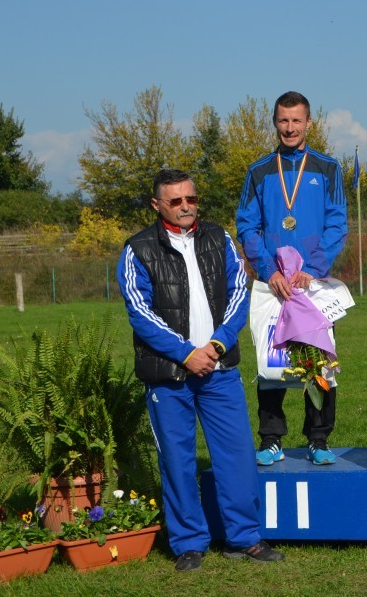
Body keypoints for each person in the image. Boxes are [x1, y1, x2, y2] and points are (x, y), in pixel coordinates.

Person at [118, 169, 284, 571]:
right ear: (157, 205)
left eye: (191, 198)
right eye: (175, 201)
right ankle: (189, 543)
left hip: (220, 368)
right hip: (168, 375)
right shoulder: (137, 249)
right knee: (177, 460)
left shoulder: (219, 237)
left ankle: (244, 537)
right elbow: (140, 313)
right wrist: (186, 353)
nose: (186, 207)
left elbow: (241, 291)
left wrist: (216, 345)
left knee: (238, 455)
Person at [237, 91, 347, 466]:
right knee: (272, 361)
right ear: (275, 122)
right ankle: (271, 439)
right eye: (283, 121)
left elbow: (337, 224)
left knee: (319, 360)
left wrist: (311, 269)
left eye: (296, 120)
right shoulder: (259, 171)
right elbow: (247, 226)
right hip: (274, 285)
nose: (289, 128)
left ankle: (319, 439)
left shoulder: (328, 168)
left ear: (308, 122)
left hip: (310, 283)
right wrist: (269, 270)